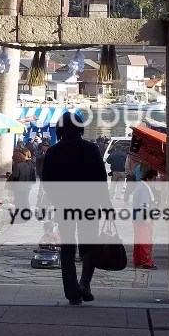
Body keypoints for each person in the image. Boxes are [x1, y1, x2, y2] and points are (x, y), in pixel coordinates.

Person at [42, 112, 110, 305]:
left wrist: (57, 199)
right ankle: (85, 283)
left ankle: (72, 291)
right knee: (89, 245)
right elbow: (101, 179)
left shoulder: (53, 152)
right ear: (80, 128)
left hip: (65, 206)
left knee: (68, 247)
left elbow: (47, 181)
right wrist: (106, 204)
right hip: (89, 204)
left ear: (60, 129)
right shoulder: (91, 149)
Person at [132, 169, 158, 269]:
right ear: (148, 178)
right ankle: (146, 262)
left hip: (137, 218)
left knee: (139, 241)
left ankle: (138, 261)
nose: (155, 182)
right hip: (143, 219)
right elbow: (144, 205)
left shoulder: (141, 187)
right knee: (145, 241)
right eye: (154, 179)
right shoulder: (144, 189)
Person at [8, 148, 36, 219]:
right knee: (24, 200)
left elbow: (16, 176)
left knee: (20, 201)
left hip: (21, 186)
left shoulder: (26, 164)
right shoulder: (27, 164)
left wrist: (10, 176)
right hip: (26, 185)